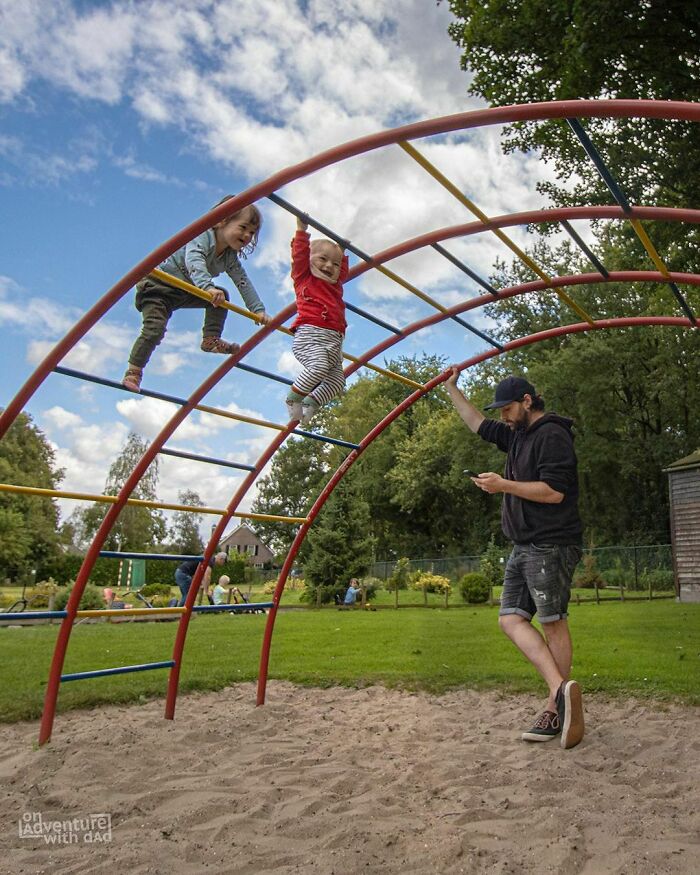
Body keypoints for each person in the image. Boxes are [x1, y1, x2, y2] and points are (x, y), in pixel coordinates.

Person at [445, 370, 585, 749]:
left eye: (507, 408)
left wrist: (503, 485)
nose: (503, 417)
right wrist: (451, 388)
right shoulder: (518, 435)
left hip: (550, 544)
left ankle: (556, 709)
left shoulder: (552, 435)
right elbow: (478, 424)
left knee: (553, 623)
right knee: (510, 619)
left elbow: (554, 492)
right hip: (523, 544)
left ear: (527, 401)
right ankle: (560, 691)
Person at [122, 195, 269, 392]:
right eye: (243, 227)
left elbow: (243, 282)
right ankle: (134, 371)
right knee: (154, 329)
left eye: (252, 232)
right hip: (158, 286)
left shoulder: (229, 257)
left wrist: (257, 310)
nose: (248, 235)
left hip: (184, 290)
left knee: (221, 297)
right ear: (221, 221)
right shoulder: (202, 236)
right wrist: (207, 287)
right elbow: (194, 260)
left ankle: (211, 339)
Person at [285, 216, 349, 426]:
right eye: (323, 259)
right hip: (311, 337)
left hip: (334, 343)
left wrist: (342, 252)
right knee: (318, 367)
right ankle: (293, 398)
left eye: (335, 263)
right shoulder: (304, 277)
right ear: (310, 259)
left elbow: (342, 270)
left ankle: (311, 402)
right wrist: (301, 231)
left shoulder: (336, 284)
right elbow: (300, 257)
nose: (329, 266)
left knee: (338, 382)